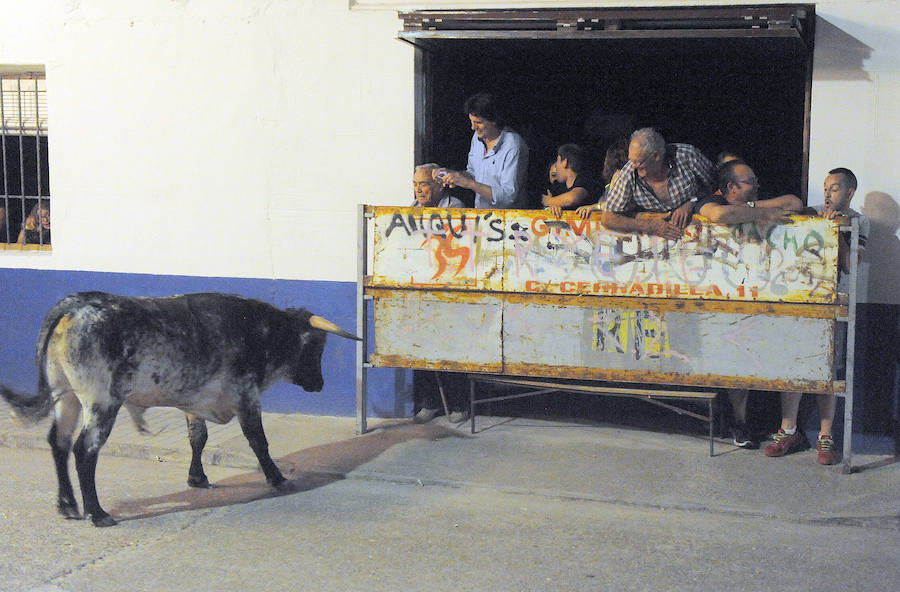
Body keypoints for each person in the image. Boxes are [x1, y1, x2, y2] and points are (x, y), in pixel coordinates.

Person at [762, 168, 869, 465]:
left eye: (834, 188)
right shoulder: (809, 215)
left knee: (829, 371)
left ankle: (826, 437)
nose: (827, 194)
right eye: (825, 188)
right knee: (792, 366)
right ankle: (788, 430)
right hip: (802, 299)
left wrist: (833, 232)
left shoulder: (859, 221)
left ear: (849, 193)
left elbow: (850, 266)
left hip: (835, 304)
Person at [694, 159, 803, 447]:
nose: (757, 186)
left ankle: (783, 428)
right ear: (731, 187)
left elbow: (794, 201)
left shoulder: (756, 203)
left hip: (769, 292)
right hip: (725, 294)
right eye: (750, 182)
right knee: (736, 363)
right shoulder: (708, 201)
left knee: (778, 356)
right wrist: (761, 212)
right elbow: (718, 215)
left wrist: (755, 209)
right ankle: (738, 424)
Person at [406, 164, 469, 424]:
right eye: (416, 184)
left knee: (451, 346)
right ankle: (430, 403)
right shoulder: (413, 209)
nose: (419, 189)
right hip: (421, 286)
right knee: (421, 344)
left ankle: (458, 405)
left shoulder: (455, 207)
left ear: (439, 185)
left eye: (424, 184)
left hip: (449, 286)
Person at [578, 128, 715, 240]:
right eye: (631, 160)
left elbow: (714, 184)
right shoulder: (629, 172)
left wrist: (690, 203)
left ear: (656, 156)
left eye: (638, 162)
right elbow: (608, 218)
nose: (633, 166)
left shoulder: (687, 156)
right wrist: (650, 226)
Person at [433, 92, 529, 209]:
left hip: (509, 219)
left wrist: (470, 184)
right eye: (471, 122)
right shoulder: (477, 138)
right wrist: (454, 175)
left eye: (478, 123)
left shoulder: (513, 145)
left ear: (494, 120)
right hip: (482, 215)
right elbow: (473, 174)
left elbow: (508, 196)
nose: (473, 127)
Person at [541, 144, 595, 218]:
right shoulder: (558, 187)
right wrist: (551, 208)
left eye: (558, 161)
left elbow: (572, 198)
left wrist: (548, 201)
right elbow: (545, 209)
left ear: (565, 162)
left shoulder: (584, 181)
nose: (556, 166)